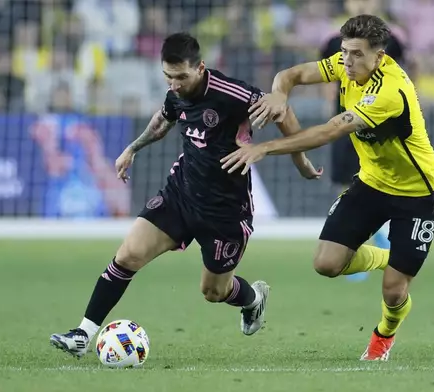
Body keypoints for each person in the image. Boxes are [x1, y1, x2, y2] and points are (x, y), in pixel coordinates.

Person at [49, 32, 322, 358]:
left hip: (225, 211)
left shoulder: (232, 94)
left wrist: (300, 159)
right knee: (127, 256)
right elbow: (164, 119)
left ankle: (253, 300)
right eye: (168, 76)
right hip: (181, 194)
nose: (174, 84)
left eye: (181, 76)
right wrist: (133, 148)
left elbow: (283, 112)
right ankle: (83, 334)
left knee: (213, 291)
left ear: (201, 68)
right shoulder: (175, 93)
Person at [221, 15, 434, 361]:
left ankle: (383, 335)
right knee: (326, 263)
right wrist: (279, 94)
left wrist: (264, 147)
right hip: (372, 183)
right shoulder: (343, 65)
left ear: (380, 57)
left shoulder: (390, 91)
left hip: (418, 193)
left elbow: (329, 131)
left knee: (393, 290)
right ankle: (393, 257)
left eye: (357, 54)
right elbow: (290, 75)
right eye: (344, 53)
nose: (348, 61)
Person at [320, 1, 408, 278]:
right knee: (346, 182)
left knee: (384, 181)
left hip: (381, 125)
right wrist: (329, 116)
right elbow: (329, 82)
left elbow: (405, 77)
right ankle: (355, 241)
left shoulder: (392, 39)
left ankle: (382, 237)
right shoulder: (334, 41)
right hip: (347, 123)